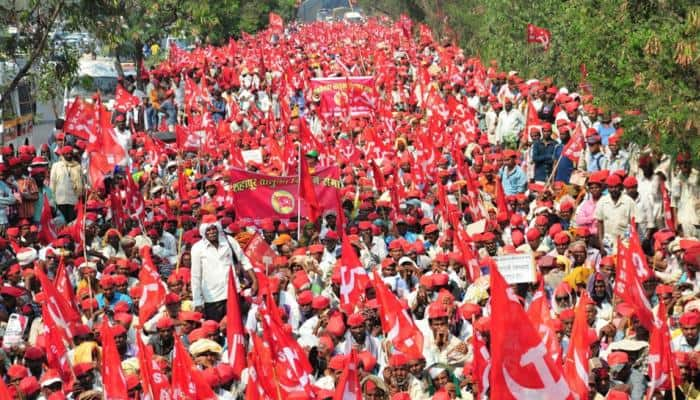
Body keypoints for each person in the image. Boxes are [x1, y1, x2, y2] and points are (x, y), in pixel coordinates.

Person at [191, 215, 256, 322]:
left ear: (218, 229)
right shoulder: (197, 248)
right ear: (203, 231)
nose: (211, 232)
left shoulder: (229, 241)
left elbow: (244, 260)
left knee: (236, 325)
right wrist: (197, 302)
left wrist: (254, 281)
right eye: (208, 230)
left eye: (213, 229)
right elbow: (196, 277)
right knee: (216, 329)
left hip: (233, 293)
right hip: (212, 298)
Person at [49, 146, 82, 223]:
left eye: (70, 154)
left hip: (73, 200)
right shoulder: (56, 166)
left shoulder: (77, 166)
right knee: (62, 222)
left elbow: (81, 183)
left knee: (72, 223)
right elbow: (52, 183)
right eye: (67, 154)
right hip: (60, 200)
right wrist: (52, 200)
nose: (69, 156)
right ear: (63, 155)